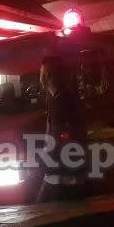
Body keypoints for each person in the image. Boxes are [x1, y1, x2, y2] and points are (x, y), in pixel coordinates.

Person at [37, 55, 88, 202]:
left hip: (62, 177)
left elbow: (60, 137)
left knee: (43, 209)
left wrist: (45, 161)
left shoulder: (61, 102)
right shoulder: (62, 99)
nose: (40, 78)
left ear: (47, 75)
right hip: (64, 173)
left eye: (41, 73)